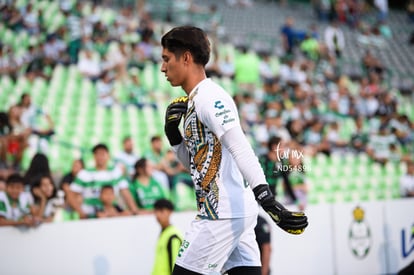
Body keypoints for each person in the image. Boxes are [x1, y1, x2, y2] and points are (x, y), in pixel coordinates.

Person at [160, 26, 308, 275]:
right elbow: (200, 166)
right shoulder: (194, 101)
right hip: (234, 212)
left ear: (185, 57)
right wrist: (174, 137)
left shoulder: (210, 97)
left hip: (221, 214)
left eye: (166, 59)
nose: (163, 68)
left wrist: (268, 200)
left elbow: (241, 147)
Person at [67, 143, 140, 218]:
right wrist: (81, 212)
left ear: (108, 156)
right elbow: (71, 195)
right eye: (97, 154)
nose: (100, 157)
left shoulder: (115, 172)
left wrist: (134, 210)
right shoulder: (84, 174)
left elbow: (126, 193)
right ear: (94, 156)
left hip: (112, 215)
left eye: (103, 154)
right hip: (91, 216)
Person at [152, 199, 183, 275]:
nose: (158, 215)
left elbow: (175, 267)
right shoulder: (164, 233)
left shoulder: (173, 236)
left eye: (161, 211)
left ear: (170, 212)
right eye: (156, 211)